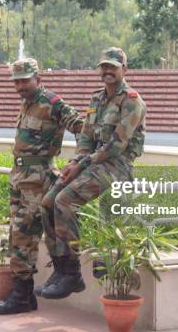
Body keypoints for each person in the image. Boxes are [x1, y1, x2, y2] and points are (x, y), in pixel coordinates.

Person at [37, 47, 147, 300]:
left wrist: (82, 163)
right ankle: (61, 269)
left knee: (65, 201)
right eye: (104, 66)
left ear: (124, 70)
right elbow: (86, 137)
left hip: (117, 167)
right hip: (91, 164)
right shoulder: (96, 99)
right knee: (47, 203)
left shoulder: (131, 100)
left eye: (113, 67)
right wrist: (74, 161)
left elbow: (117, 145)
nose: (107, 71)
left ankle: (72, 275)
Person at [0, 58, 83, 315]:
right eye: (16, 81)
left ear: (37, 79)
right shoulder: (26, 103)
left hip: (39, 177)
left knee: (22, 233)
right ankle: (24, 296)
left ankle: (22, 296)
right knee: (18, 234)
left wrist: (78, 161)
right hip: (20, 177)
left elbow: (82, 128)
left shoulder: (52, 103)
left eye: (24, 80)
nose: (20, 86)